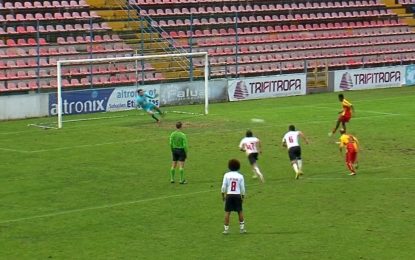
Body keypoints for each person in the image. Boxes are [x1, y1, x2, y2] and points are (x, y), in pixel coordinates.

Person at [221, 159, 246, 235]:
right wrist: (243, 196)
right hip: (237, 195)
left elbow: (223, 187)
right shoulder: (240, 176)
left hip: (229, 195)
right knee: (240, 211)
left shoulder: (226, 175)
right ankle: (242, 229)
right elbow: (242, 188)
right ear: (238, 167)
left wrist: (223, 195)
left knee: (227, 212)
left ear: (229, 167)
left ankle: (226, 230)